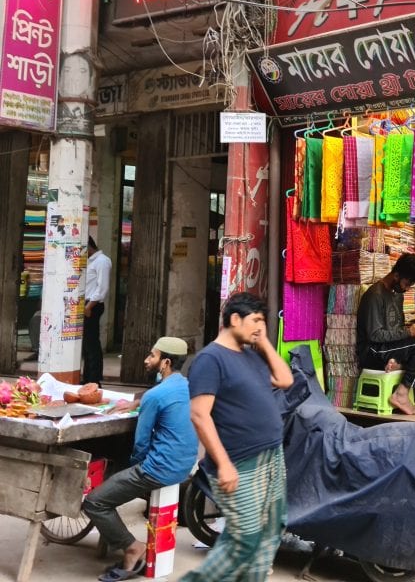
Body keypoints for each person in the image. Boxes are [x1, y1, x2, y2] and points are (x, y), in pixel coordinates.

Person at [183, 292, 293, 582]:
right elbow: (199, 415)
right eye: (255, 320)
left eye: (262, 321)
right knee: (244, 538)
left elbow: (285, 379)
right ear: (234, 319)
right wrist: (224, 464)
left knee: (272, 526)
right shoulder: (210, 359)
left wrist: (264, 341)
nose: (260, 326)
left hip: (271, 455)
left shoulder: (251, 355)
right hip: (240, 461)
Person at [83, 337, 198, 582]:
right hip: (185, 463)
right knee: (117, 476)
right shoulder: (187, 385)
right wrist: (138, 401)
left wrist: (134, 465)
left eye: (152, 356)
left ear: (165, 362)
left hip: (159, 468)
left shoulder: (155, 396)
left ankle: (132, 547)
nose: (147, 360)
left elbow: (141, 443)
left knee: (94, 502)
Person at [356, 253, 415, 415]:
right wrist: (408, 332)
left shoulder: (397, 295)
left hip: (390, 347)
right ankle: (401, 393)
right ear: (396, 274)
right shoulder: (374, 296)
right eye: (407, 283)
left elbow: (396, 328)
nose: (406, 288)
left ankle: (397, 364)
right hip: (374, 351)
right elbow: (375, 335)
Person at [83, 236, 112, 385]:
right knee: (86, 345)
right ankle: (87, 378)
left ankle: (94, 379)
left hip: (93, 305)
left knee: (92, 343)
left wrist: (89, 307)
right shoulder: (89, 261)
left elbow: (103, 288)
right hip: (85, 304)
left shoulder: (102, 261)